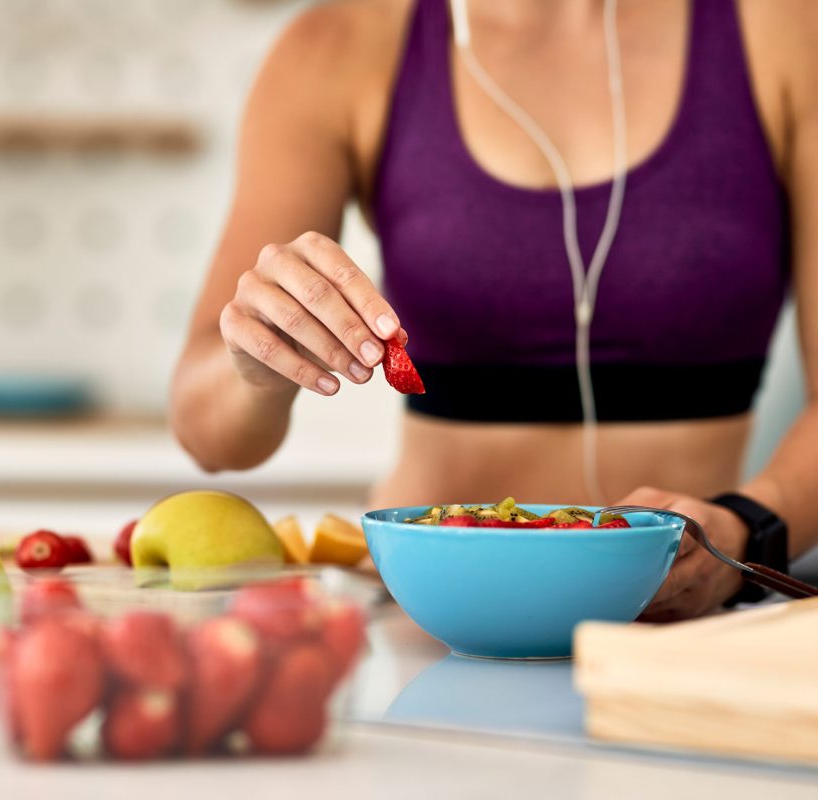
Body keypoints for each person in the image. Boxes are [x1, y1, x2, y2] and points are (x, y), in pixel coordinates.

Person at [170, 0, 818, 620]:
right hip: (426, 622)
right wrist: (256, 366)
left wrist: (747, 524)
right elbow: (208, 432)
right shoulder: (334, 51)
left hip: (678, 622)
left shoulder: (789, 33)